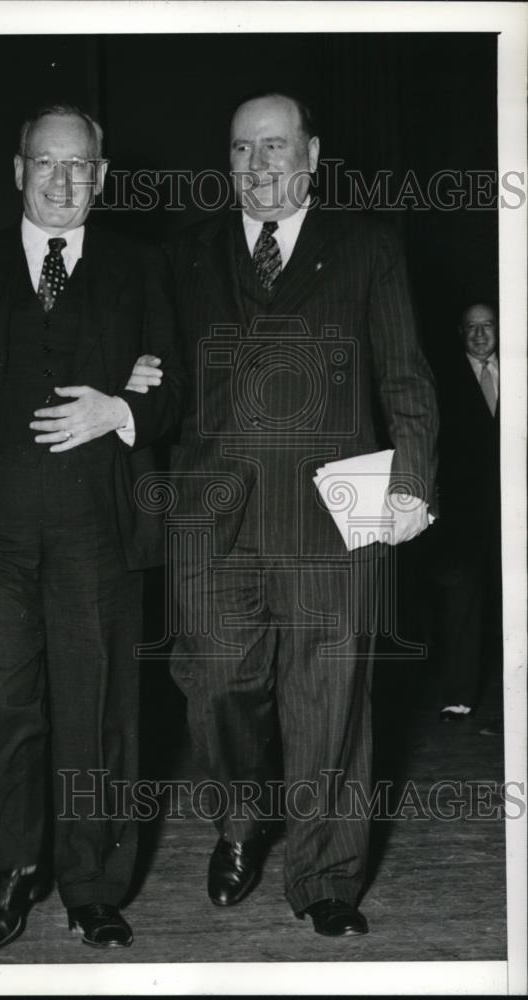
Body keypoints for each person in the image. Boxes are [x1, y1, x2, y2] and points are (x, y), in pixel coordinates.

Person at [0, 104, 183, 951]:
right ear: (18, 171)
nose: (62, 181)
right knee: (1, 706)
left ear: (103, 175)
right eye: (45, 165)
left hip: (99, 530)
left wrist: (121, 407)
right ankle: (13, 871)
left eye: (79, 166)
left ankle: (94, 884)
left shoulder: (138, 266)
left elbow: (178, 386)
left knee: (100, 715)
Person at [163, 92, 438, 937]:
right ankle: (242, 821)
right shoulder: (187, 257)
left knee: (331, 705)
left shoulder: (367, 249)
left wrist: (414, 482)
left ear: (313, 155)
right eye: (243, 150)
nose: (259, 165)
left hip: (338, 500)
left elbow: (405, 377)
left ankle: (324, 878)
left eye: (276, 147)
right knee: (213, 688)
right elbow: (162, 375)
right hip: (213, 509)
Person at [430, 303, 501, 730]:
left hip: (513, 507)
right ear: (461, 333)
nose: (479, 335)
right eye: (471, 328)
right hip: (463, 512)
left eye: (487, 326)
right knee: (463, 602)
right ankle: (459, 696)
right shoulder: (442, 378)